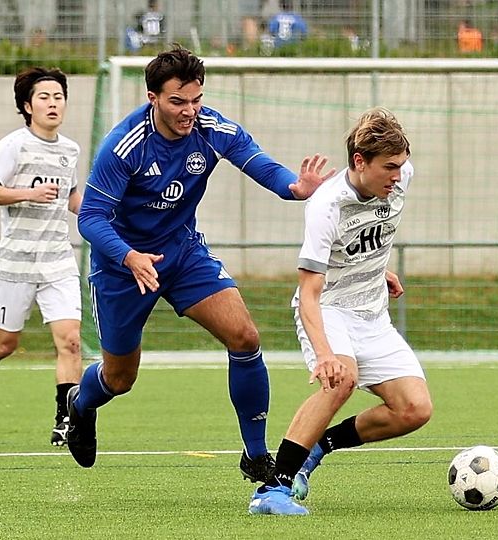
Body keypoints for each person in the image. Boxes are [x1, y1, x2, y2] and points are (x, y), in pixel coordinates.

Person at [67, 46, 334, 484]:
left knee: (245, 336)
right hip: (122, 267)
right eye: (177, 101)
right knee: (119, 378)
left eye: (196, 100)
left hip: (183, 254)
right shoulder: (123, 146)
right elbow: (91, 218)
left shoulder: (210, 128)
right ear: (152, 98)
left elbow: (255, 160)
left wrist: (294, 187)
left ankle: (255, 455)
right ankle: (81, 403)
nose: (189, 111)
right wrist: (130, 256)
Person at [248, 108, 433, 515]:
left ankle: (317, 448)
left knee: (414, 409)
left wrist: (378, 269)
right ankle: (272, 489)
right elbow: (309, 292)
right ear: (359, 162)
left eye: (401, 165)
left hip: (372, 314)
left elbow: (363, 237)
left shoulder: (400, 178)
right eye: (389, 167)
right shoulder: (326, 206)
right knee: (340, 380)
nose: (398, 176)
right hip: (329, 308)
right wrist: (325, 354)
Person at [0, 66, 83, 447]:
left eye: (58, 97)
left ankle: (67, 420)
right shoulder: (14, 145)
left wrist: (111, 215)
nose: (53, 104)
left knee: (71, 341)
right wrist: (29, 193)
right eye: (44, 97)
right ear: (28, 106)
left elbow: (72, 199)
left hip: (58, 260)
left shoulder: (70, 151)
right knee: (4, 345)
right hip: (17, 263)